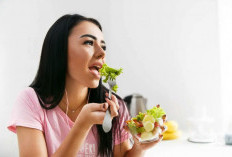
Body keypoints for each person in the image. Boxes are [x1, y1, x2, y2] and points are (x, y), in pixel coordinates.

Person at [7, 14, 163, 157]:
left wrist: (138, 149)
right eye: (89, 42)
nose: (102, 53)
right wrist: (82, 125)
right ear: (59, 50)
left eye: (103, 46)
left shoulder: (114, 106)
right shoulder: (31, 101)